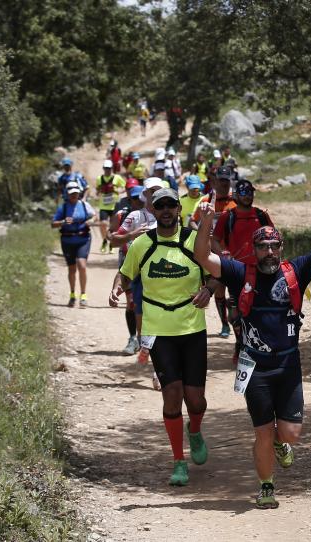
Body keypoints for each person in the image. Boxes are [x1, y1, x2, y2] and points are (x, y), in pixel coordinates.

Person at [194, 190, 311, 509]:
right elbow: (203, 256)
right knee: (261, 431)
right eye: (263, 246)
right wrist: (206, 222)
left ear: (281, 248)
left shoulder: (295, 270)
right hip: (254, 366)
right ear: (255, 250)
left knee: (290, 433)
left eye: (274, 245)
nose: (269, 251)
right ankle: (266, 487)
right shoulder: (238, 272)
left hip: (288, 367)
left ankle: (280, 442)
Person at [109, 187, 216, 486]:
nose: (166, 210)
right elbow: (126, 273)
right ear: (153, 211)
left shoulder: (194, 242)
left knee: (196, 400)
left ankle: (195, 431)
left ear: (179, 209)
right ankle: (178, 461)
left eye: (171, 205)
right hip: (158, 330)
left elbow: (216, 273)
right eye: (161, 206)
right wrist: (118, 287)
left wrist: (209, 290)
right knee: (172, 394)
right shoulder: (143, 243)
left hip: (192, 328)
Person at [109, 177, 167, 388]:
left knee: (163, 325)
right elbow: (115, 239)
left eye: (159, 190)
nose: (155, 194)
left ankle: (158, 371)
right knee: (144, 327)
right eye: (152, 191)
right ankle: (143, 345)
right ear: (145, 194)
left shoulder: (170, 215)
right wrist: (133, 234)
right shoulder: (135, 216)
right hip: (139, 276)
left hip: (165, 277)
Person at [213, 179, 274, 365]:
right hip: (237, 272)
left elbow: (274, 236)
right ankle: (240, 342)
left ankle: (257, 348)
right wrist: (223, 254)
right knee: (236, 314)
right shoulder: (227, 217)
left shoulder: (261, 215)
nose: (248, 195)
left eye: (250, 192)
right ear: (236, 194)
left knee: (259, 311)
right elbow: (214, 240)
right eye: (244, 192)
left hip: (261, 271)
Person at [191, 165, 237, 338]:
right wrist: (202, 231)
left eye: (227, 180)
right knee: (218, 288)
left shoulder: (236, 200)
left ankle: (236, 322)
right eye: (221, 180)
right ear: (215, 181)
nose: (224, 184)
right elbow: (192, 222)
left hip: (234, 253)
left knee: (234, 290)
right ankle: (224, 324)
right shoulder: (205, 200)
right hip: (213, 254)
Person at [108, 184, 145, 355]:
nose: (138, 201)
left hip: (148, 264)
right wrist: (130, 235)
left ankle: (145, 338)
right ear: (130, 199)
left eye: (141, 198)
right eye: (135, 198)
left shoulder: (153, 214)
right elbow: (112, 237)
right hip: (127, 260)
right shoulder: (123, 215)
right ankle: (133, 338)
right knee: (131, 303)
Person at [51, 181, 95, 308]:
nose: (74, 196)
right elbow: (53, 224)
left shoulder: (84, 205)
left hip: (83, 239)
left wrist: (90, 221)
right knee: (71, 268)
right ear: (67, 194)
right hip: (67, 241)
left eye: (76, 193)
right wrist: (63, 222)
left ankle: (83, 295)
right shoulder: (63, 208)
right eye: (71, 194)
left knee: (81, 265)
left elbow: (94, 216)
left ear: (79, 193)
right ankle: (72, 295)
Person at [96, 160, 126, 254]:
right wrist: (99, 192)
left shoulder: (117, 177)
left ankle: (111, 244)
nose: (107, 170)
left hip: (114, 204)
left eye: (109, 168)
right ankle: (105, 240)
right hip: (103, 205)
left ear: (111, 168)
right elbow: (97, 191)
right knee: (103, 224)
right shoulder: (99, 178)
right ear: (103, 168)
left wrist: (118, 191)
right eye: (105, 168)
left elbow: (126, 186)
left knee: (113, 226)